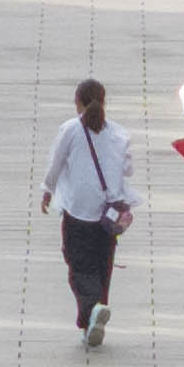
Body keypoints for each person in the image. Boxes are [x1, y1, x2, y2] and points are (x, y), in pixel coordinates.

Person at [44, 85, 137, 349]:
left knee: (79, 266)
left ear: (77, 102)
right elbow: (128, 168)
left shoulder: (70, 129)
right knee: (102, 265)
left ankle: (92, 309)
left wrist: (47, 191)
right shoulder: (119, 133)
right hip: (109, 214)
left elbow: (56, 163)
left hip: (79, 211)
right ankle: (95, 316)